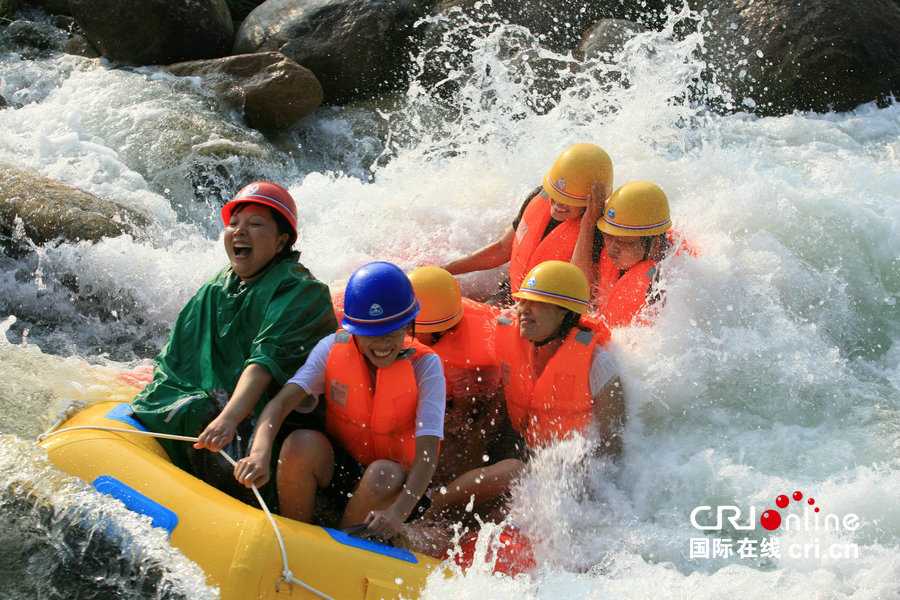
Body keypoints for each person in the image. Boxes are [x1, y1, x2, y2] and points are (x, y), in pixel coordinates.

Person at [130, 182, 337, 502]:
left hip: (283, 423)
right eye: (234, 224)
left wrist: (228, 419)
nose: (240, 231)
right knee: (175, 406)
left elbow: (265, 362)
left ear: (282, 241)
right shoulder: (217, 286)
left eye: (255, 225)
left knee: (209, 420)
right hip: (229, 400)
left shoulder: (301, 290)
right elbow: (178, 356)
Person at [232, 261, 447, 541]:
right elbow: (280, 405)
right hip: (344, 466)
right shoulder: (331, 348)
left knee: (382, 474)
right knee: (300, 443)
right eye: (371, 334)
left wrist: (397, 513)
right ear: (355, 329)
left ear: (408, 325)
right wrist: (259, 453)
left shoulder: (426, 366)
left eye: (392, 332)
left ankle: (342, 545)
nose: (382, 345)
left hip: (394, 483)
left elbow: (428, 453)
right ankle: (293, 536)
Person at [427, 260, 625, 521]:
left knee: (514, 475)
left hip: (567, 474)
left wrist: (577, 489)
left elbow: (613, 444)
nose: (523, 311)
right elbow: (499, 404)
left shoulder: (598, 364)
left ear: (566, 314)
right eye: (522, 302)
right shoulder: (511, 342)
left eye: (537, 304)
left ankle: (435, 520)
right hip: (522, 448)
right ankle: (428, 516)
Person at [440, 143, 613, 306]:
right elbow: (501, 249)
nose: (559, 203)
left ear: (591, 202)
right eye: (556, 194)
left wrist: (587, 226)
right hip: (515, 294)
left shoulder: (599, 229)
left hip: (553, 312)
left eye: (569, 200)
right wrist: (445, 270)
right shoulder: (540, 197)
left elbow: (582, 290)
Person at [406, 266, 504, 485]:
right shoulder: (444, 312)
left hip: (485, 394)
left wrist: (467, 443)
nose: (403, 330)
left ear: (437, 329)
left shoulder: (459, 366)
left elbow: (464, 413)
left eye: (408, 325)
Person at [573, 180, 676, 328]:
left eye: (624, 240)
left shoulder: (669, 283)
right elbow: (576, 294)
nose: (612, 247)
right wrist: (588, 224)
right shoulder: (610, 249)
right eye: (608, 236)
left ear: (655, 244)